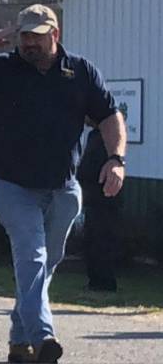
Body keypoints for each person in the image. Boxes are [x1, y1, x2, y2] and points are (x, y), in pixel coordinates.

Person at [0, 4, 126, 363]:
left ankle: (19, 342)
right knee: (32, 256)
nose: (29, 43)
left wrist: (115, 160)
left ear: (54, 35)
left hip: (64, 188)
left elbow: (109, 115)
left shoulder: (81, 71)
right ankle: (43, 338)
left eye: (37, 36)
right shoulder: (2, 68)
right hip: (12, 187)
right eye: (24, 35)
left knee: (46, 263)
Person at [77, 121, 122, 292]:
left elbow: (91, 166)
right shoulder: (93, 136)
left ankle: (104, 282)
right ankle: (95, 280)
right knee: (93, 241)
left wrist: (80, 173)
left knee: (101, 241)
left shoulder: (102, 138)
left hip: (103, 197)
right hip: (94, 198)